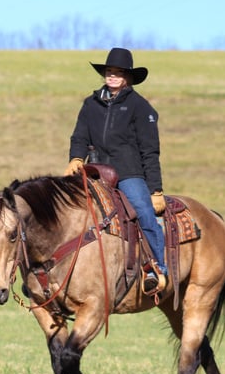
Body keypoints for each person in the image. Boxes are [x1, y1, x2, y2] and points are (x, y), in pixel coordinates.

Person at [64, 47, 167, 294]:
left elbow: (150, 151)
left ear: (127, 78)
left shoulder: (140, 107)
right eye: (109, 71)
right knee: (64, 209)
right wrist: (76, 158)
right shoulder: (90, 104)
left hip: (129, 173)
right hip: (93, 171)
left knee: (143, 212)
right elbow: (79, 136)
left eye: (118, 73)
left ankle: (157, 269)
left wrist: (155, 189)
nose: (112, 76)